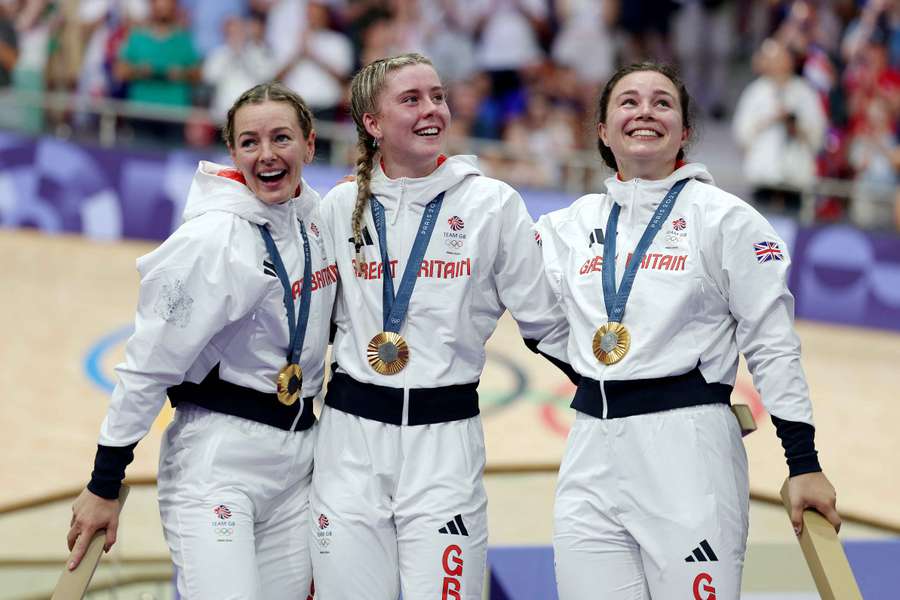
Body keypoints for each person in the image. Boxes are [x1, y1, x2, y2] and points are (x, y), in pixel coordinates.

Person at [535, 62, 841, 599]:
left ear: (685, 130)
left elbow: (772, 346)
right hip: (590, 449)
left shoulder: (727, 220)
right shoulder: (566, 227)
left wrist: (804, 463)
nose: (645, 112)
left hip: (688, 452)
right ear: (604, 132)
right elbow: (519, 303)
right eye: (628, 102)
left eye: (662, 102)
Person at [311, 52, 571, 599]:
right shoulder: (337, 207)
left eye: (437, 96)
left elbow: (547, 321)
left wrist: (642, 386)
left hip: (445, 446)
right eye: (411, 99)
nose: (432, 109)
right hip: (349, 445)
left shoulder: (492, 204)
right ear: (373, 123)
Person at [66, 82, 335, 599]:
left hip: (301, 462)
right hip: (218, 466)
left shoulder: (315, 221)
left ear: (309, 145)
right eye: (250, 142)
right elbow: (147, 366)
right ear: (232, 152)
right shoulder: (210, 240)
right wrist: (104, 483)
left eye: (281, 138)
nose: (267, 154)